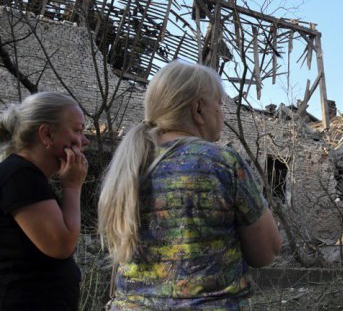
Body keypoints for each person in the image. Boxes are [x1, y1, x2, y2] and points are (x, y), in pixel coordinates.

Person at [98, 60, 281, 310]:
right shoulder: (222, 162)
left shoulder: (130, 164)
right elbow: (266, 252)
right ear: (198, 110)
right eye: (218, 103)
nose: (222, 112)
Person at [0, 92, 90, 310]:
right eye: (77, 130)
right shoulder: (20, 176)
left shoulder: (27, 176)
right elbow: (60, 244)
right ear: (47, 134)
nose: (85, 141)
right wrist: (72, 187)